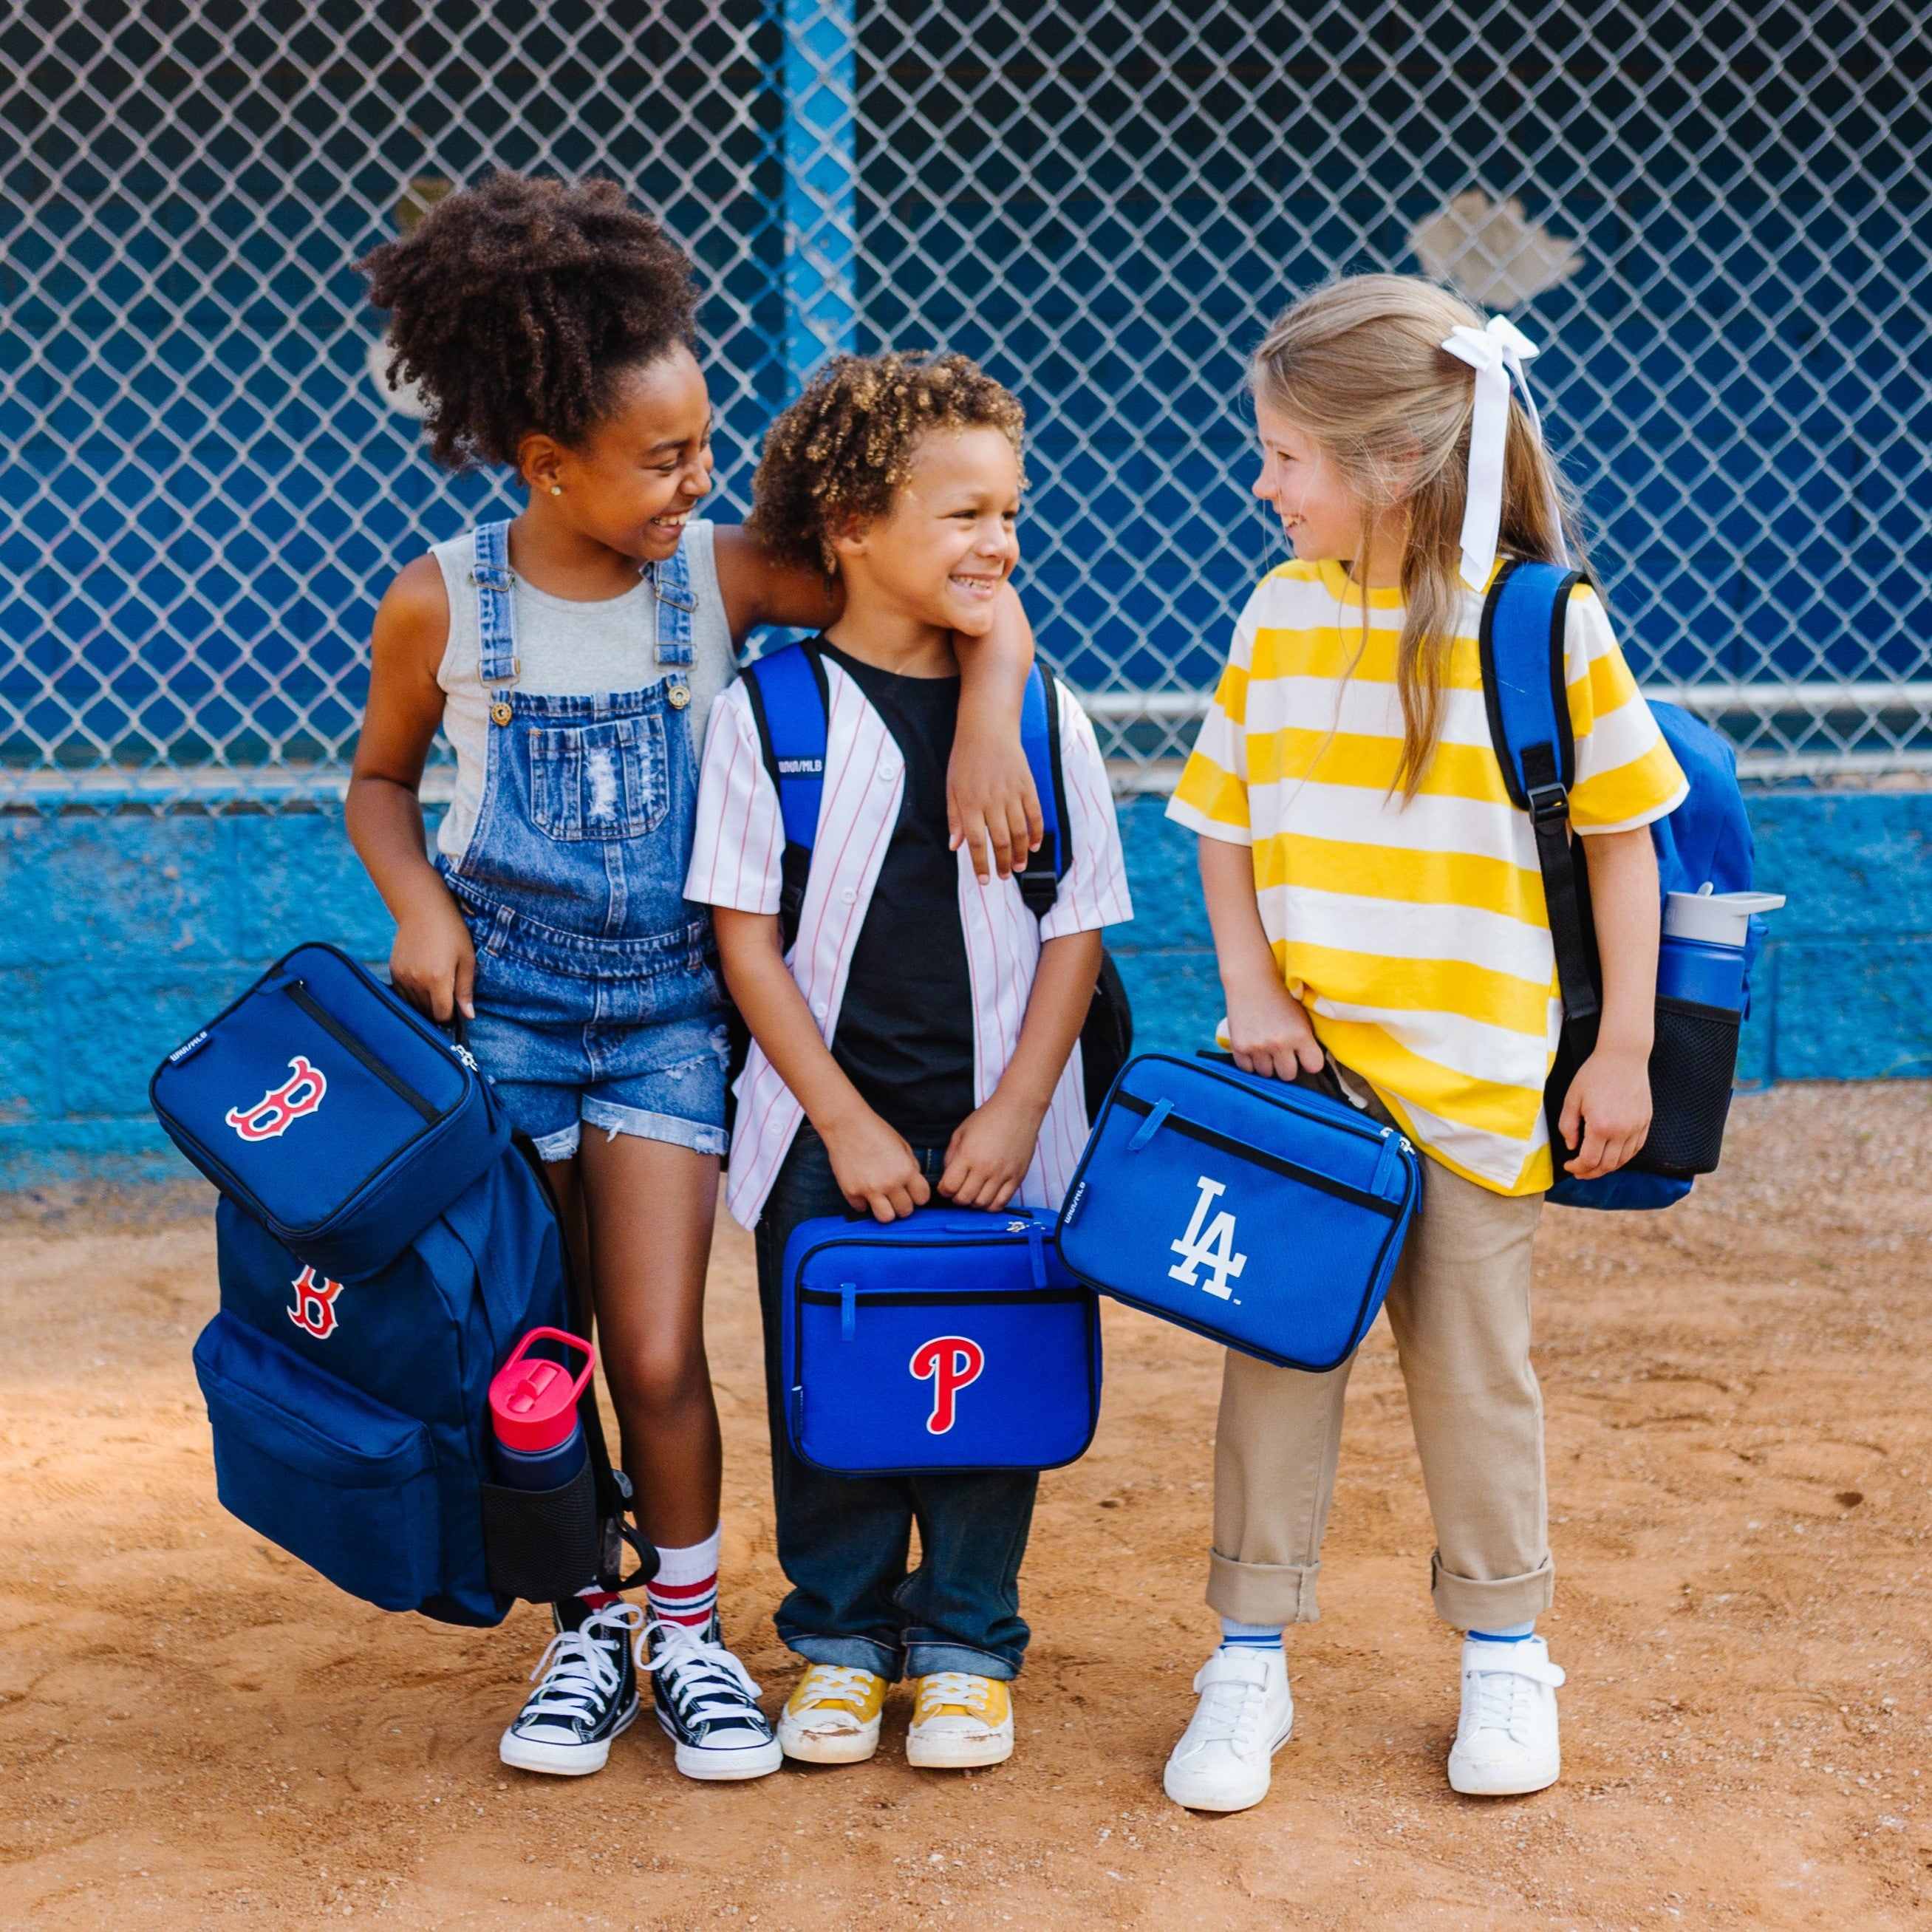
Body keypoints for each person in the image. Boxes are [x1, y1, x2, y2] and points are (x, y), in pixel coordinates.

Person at [347, 176, 1042, 1784]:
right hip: (503, 1019)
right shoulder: (442, 600)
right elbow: (380, 783)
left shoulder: (719, 578)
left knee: (657, 1353)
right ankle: (588, 1627)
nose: (702, 480)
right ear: (549, 464)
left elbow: (935, 592)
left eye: (705, 445)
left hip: (667, 1019)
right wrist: (417, 906)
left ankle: (691, 1631)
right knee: (540, 1357)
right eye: (664, 459)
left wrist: (995, 697)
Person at [1161, 275, 1686, 1812]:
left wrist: (1624, 1051)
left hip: (1479, 1087)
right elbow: (1224, 827)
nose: (1263, 486)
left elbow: (1626, 846)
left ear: (1393, 460)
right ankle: (1248, 1663)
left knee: (1473, 1379)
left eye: (1285, 457)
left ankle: (1508, 1654)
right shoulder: (1277, 616)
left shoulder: (1544, 622)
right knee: (1276, 1368)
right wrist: (1255, 995)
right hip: (1306, 1087)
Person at [688, 349, 1131, 1770]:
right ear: (852, 527)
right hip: (828, 1130)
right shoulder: (771, 714)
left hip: (1004, 1120)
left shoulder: (1043, 713)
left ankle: (966, 1644)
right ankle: (836, 1638)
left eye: (1011, 514)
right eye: (965, 516)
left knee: (996, 1378)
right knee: (836, 1376)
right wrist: (845, 1123)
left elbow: (1079, 926)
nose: (1000, 544)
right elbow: (746, 942)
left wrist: (1017, 1110)